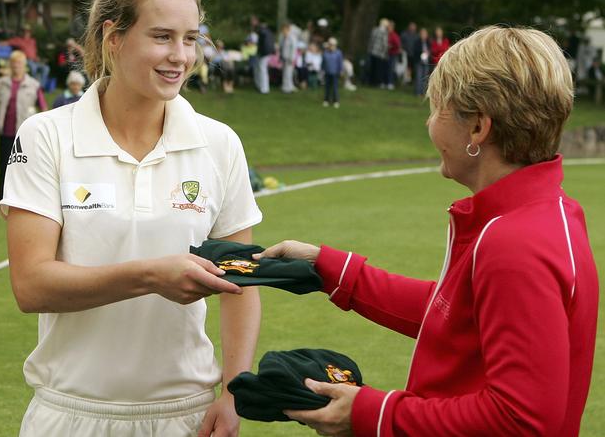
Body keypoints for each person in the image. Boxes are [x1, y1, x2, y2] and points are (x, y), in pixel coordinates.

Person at [254, 26, 598, 437]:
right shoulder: (542, 212)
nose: (429, 123)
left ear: (477, 129)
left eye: (437, 109)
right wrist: (332, 269)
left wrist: (374, 413)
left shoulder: (514, 242)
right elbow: (456, 318)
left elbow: (520, 419)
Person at [0, 0, 262, 437]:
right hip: (70, 413)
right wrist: (149, 275)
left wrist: (234, 391)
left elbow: (240, 282)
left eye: (191, 38)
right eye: (161, 36)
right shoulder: (45, 136)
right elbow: (31, 285)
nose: (180, 55)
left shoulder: (219, 142)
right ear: (113, 37)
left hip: (187, 414)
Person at [0, 50, 47, 202]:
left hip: (24, 133)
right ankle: (2, 196)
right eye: (14, 63)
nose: (16, 66)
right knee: (4, 164)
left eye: (19, 63)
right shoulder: (0, 83)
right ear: (10, 65)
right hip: (6, 131)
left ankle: (22, 197)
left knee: (24, 165)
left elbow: (43, 106)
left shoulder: (33, 85)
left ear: (25, 65)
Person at [2, 24, 51, 89]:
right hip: (26, 60)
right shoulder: (18, 40)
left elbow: (34, 51)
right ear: (22, 32)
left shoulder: (32, 41)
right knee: (33, 67)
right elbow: (7, 42)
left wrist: (37, 57)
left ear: (30, 33)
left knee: (46, 68)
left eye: (28, 31)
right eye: (24, 31)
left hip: (35, 60)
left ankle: (41, 87)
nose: (26, 33)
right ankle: (32, 85)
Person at [322, 37, 343, 108]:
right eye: (330, 45)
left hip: (335, 73)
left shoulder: (338, 53)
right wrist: (322, 70)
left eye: (333, 45)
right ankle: (326, 100)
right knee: (327, 87)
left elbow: (340, 63)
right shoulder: (325, 53)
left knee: (334, 88)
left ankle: (336, 101)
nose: (331, 46)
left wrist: (340, 71)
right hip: (327, 73)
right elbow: (323, 63)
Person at [367, 18, 388, 87]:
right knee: (378, 69)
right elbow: (384, 44)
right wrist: (385, 52)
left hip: (372, 51)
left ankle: (370, 81)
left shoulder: (375, 30)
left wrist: (369, 50)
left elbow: (371, 40)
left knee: (372, 68)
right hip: (380, 53)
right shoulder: (384, 32)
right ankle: (376, 83)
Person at [279, 22, 297, 93]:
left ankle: (287, 88)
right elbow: (281, 47)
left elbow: (294, 49)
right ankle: (288, 86)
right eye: (283, 29)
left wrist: (292, 58)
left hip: (289, 58)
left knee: (288, 73)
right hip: (284, 57)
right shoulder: (282, 37)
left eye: (285, 29)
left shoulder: (292, 37)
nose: (283, 31)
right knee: (285, 73)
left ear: (288, 29)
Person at [413, 27, 431, 96]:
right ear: (420, 34)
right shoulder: (417, 42)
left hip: (426, 61)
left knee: (425, 77)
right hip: (419, 61)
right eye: (422, 34)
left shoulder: (428, 42)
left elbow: (430, 50)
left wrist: (428, 52)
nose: (424, 35)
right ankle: (417, 92)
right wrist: (422, 52)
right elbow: (415, 51)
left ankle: (423, 92)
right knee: (418, 76)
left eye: (425, 34)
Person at [386, 20, 401, 90]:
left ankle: (390, 83)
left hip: (393, 54)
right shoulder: (387, 34)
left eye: (389, 27)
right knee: (387, 68)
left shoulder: (394, 35)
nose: (388, 28)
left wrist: (391, 46)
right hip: (387, 54)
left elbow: (398, 45)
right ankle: (387, 82)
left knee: (391, 69)